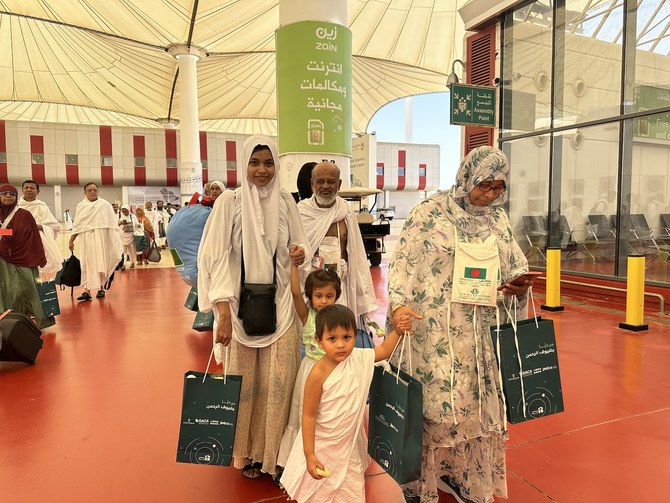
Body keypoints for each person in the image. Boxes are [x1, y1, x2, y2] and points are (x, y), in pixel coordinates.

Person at [388, 146, 532, 503]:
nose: (490, 194)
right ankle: (421, 483)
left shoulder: (497, 219)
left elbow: (514, 262)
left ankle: (462, 476)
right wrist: (398, 305)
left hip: (480, 332)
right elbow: (403, 261)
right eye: (484, 185)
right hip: (435, 329)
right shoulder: (430, 213)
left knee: (473, 409)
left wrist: (518, 283)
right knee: (437, 407)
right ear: (467, 178)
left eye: (499, 187)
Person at [198, 135, 311, 481]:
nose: (262, 170)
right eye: (255, 162)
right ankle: (245, 453)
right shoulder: (229, 202)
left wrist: (299, 253)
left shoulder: (286, 201)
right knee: (244, 386)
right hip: (238, 310)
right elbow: (215, 258)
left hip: (282, 307)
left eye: (269, 163)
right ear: (244, 164)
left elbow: (300, 244)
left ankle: (273, 456)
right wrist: (222, 314)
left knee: (279, 385)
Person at [280, 304, 411, 503]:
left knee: (351, 492)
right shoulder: (317, 374)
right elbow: (308, 415)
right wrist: (309, 453)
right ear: (319, 341)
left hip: (348, 447)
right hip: (323, 445)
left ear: (355, 337)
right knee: (320, 494)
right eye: (332, 339)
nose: (340, 344)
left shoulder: (358, 357)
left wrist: (398, 332)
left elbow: (384, 350)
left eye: (346, 337)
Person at [276, 267, 342, 477]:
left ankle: (329, 456)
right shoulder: (307, 316)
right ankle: (293, 461)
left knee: (328, 414)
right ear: (311, 297)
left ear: (337, 296)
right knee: (303, 412)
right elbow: (296, 293)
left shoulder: (340, 318)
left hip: (334, 373)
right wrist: (294, 267)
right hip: (310, 370)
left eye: (329, 296)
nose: (324, 301)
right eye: (318, 296)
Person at [298, 161, 378, 324]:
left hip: (340, 288)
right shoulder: (301, 212)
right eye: (320, 181)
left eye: (331, 182)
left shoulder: (345, 212)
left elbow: (357, 254)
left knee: (340, 330)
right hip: (312, 290)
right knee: (312, 334)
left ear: (339, 184)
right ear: (312, 184)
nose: (325, 186)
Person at [0, 184, 54, 329]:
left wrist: (40, 256)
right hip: (2, 258)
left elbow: (30, 236)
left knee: (31, 288)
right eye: (4, 193)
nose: (8, 196)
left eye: (11, 194)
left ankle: (40, 319)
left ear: (16, 196)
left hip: (25, 256)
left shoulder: (24, 214)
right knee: (8, 289)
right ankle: (11, 321)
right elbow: (13, 232)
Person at [68, 183, 123, 301]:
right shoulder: (81, 206)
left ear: (98, 191)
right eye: (90, 190)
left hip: (101, 239)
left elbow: (112, 225)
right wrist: (71, 241)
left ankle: (101, 289)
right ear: (85, 192)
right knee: (86, 264)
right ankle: (86, 291)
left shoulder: (105, 205)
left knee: (101, 263)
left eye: (95, 190)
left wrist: (114, 242)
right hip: (86, 239)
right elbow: (77, 225)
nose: (92, 192)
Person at [18, 180, 63, 280]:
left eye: (32, 188)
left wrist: (41, 227)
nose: (29, 190)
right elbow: (6, 229)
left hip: (38, 244)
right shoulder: (16, 207)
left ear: (38, 191)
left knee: (38, 274)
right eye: (26, 188)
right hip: (19, 245)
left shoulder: (42, 207)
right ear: (22, 190)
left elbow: (55, 227)